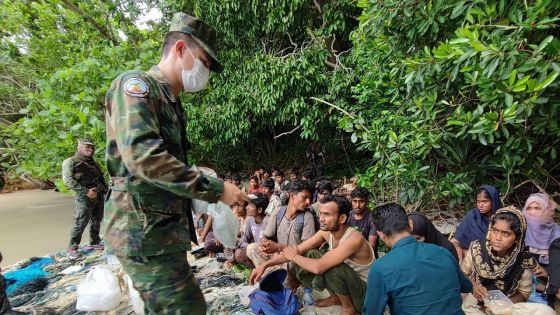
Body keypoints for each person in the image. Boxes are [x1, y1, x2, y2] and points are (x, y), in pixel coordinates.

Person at [103, 12, 247, 314]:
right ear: (180, 49)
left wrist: (196, 178)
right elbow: (144, 158)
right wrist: (214, 188)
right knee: (185, 308)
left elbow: (158, 164)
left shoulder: (170, 102)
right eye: (204, 61)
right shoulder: (136, 86)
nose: (205, 72)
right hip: (143, 231)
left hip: (161, 232)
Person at [250, 195, 374, 315]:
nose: (321, 219)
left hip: (365, 293)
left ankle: (349, 308)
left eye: (327, 214)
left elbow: (318, 267)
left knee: (332, 267)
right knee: (311, 253)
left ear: (342, 218)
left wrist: (293, 256)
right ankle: (335, 297)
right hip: (347, 284)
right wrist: (265, 265)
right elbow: (297, 249)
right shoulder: (326, 232)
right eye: (321, 213)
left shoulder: (353, 238)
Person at [363, 203, 472, 315]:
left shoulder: (381, 267)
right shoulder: (443, 252)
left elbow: (371, 311)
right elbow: (466, 286)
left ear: (381, 235)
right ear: (410, 224)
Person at [461, 207, 555, 315]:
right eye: (495, 231)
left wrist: (503, 305)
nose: (498, 238)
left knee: (547, 312)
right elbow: (463, 274)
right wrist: (474, 286)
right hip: (476, 306)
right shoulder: (477, 249)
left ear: (517, 238)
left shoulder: (523, 259)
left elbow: (524, 293)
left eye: (506, 234)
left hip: (506, 306)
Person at [248, 180, 316, 288]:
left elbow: (306, 250)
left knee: (290, 264)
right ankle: (267, 276)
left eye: (310, 198)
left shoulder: (307, 217)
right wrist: (265, 245)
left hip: (294, 259)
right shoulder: (278, 212)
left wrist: (279, 247)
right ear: (292, 195)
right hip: (277, 256)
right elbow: (266, 236)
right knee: (252, 248)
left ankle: (287, 283)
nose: (308, 202)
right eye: (305, 197)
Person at [62, 139, 107, 258]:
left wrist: (105, 191)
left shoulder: (93, 163)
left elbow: (101, 179)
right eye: (87, 147)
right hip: (84, 196)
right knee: (81, 221)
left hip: (98, 193)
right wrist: (86, 191)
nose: (91, 150)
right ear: (79, 147)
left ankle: (95, 242)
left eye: (92, 148)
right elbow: (68, 181)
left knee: (97, 219)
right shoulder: (70, 161)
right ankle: (72, 248)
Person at [522, 193, 560, 307]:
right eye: (529, 208)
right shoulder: (520, 231)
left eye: (537, 208)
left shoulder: (557, 234)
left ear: (546, 210)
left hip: (548, 287)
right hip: (521, 285)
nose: (532, 212)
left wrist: (548, 273)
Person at [451, 185, 501, 260]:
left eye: (484, 201)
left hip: (488, 258)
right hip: (466, 255)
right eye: (478, 201)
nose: (480, 205)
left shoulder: (502, 219)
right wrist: (460, 258)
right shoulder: (473, 215)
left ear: (493, 201)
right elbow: (455, 241)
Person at [238, 193, 270, 267]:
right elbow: (245, 240)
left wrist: (251, 247)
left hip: (268, 254)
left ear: (259, 210)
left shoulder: (268, 221)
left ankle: (265, 272)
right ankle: (258, 268)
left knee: (251, 248)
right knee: (239, 253)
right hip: (257, 251)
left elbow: (268, 246)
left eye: (251, 205)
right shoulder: (250, 220)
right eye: (248, 204)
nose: (246, 207)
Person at [347, 187, 378, 257]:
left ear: (367, 202)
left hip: (367, 256)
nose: (357, 205)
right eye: (355, 201)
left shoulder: (372, 219)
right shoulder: (348, 215)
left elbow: (371, 247)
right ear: (351, 201)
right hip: (348, 253)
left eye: (361, 201)